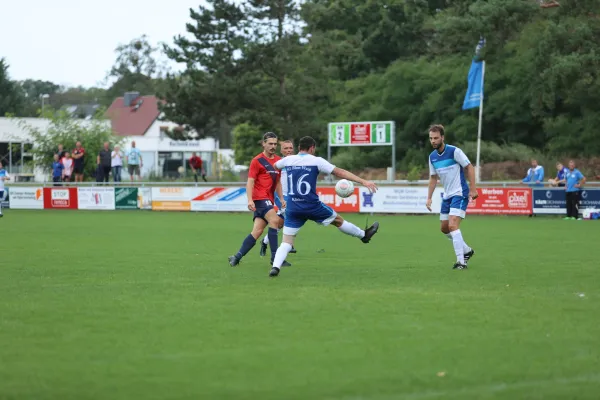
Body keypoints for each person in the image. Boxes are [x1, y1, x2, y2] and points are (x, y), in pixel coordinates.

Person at [268, 136, 380, 277]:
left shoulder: (288, 160)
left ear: (299, 148)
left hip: (293, 206)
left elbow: (274, 166)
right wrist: (363, 181)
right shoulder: (316, 161)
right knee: (338, 221)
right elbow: (339, 172)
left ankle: (275, 267)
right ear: (312, 148)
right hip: (312, 205)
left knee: (287, 242)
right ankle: (363, 235)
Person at [228, 132, 291, 268]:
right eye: (270, 144)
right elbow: (250, 182)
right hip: (259, 198)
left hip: (268, 199)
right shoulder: (257, 161)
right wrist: (250, 200)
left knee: (257, 231)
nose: (273, 146)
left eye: (275, 144)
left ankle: (237, 257)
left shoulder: (278, 161)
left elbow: (278, 182)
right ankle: (275, 259)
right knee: (275, 221)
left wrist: (281, 198)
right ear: (263, 144)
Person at [425, 124, 478, 270]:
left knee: (453, 225)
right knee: (444, 228)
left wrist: (473, 189)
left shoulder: (454, 151)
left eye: (436, 138)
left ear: (442, 137)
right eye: (431, 138)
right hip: (447, 195)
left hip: (460, 193)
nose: (433, 141)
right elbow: (433, 178)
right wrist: (429, 198)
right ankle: (467, 251)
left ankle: (461, 262)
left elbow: (469, 167)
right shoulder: (432, 157)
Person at [259, 139, 297, 257]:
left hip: (291, 196)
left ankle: (265, 242)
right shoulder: (278, 162)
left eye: (290, 148)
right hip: (280, 195)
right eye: (286, 148)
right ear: (281, 150)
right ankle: (288, 244)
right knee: (292, 217)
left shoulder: (296, 161)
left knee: (280, 223)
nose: (289, 150)